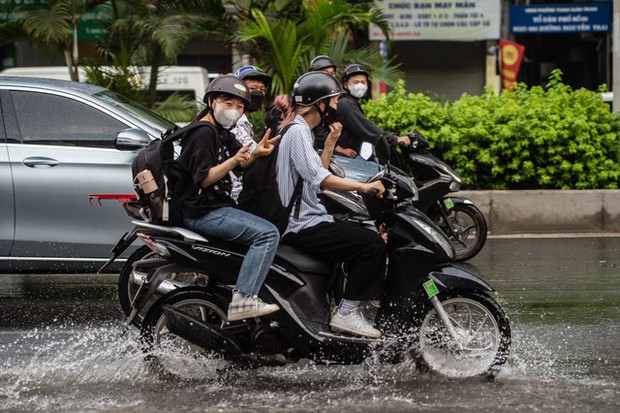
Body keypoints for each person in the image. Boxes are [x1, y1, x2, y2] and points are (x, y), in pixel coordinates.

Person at [273, 71, 387, 338]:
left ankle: (338, 306)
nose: (337, 107)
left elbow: (314, 176)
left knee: (361, 229)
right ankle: (347, 313)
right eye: (333, 101)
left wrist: (329, 145)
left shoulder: (302, 131)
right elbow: (320, 179)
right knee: (371, 245)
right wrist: (364, 186)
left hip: (309, 216)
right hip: (301, 224)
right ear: (319, 104)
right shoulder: (298, 131)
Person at [172, 74, 280, 322]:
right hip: (201, 212)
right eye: (228, 103)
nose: (234, 110)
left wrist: (258, 154)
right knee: (267, 233)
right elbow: (204, 179)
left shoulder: (221, 130)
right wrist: (233, 161)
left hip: (212, 206)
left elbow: (242, 162)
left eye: (240, 106)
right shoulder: (203, 133)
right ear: (212, 102)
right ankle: (243, 299)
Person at [335, 64, 411, 159]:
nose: (360, 85)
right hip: (348, 159)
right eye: (356, 82)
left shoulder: (351, 102)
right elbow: (366, 129)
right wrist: (394, 139)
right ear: (346, 85)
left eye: (363, 82)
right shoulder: (346, 104)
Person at [229, 65, 272, 201]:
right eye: (252, 89)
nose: (258, 93)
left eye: (262, 90)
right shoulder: (233, 121)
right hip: (233, 196)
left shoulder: (245, 121)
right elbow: (249, 156)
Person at [308, 55, 337, 151]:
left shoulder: (332, 100)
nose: (330, 77)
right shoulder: (307, 99)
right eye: (325, 73)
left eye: (332, 73)